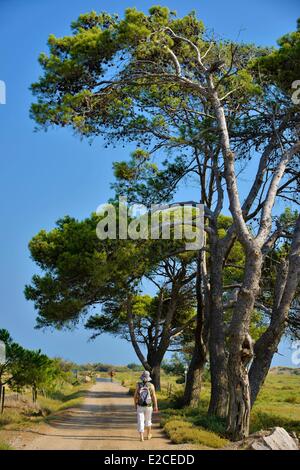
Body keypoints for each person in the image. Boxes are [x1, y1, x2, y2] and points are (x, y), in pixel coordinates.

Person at [134, 371, 158, 442]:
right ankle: (148, 435)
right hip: (149, 405)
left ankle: (141, 436)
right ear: (148, 377)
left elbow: (135, 396)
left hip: (140, 405)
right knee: (148, 420)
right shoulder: (151, 385)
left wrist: (135, 404)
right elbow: (154, 396)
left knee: (140, 420)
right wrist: (156, 406)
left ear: (142, 377)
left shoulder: (138, 385)